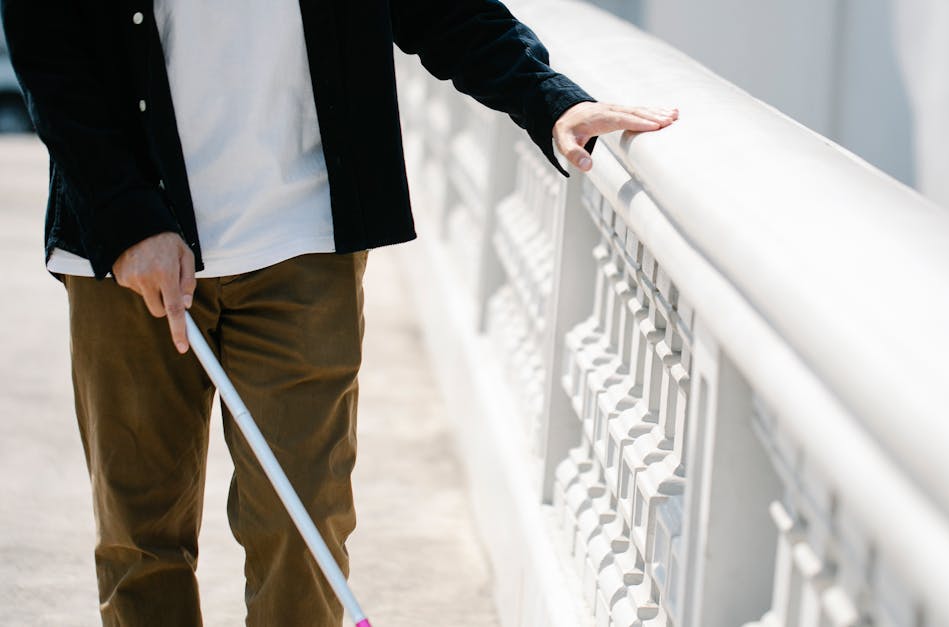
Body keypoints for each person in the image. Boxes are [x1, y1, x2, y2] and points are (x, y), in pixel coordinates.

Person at [1, 0, 678, 625]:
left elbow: (441, 9)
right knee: (140, 539)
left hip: (301, 239)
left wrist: (548, 100)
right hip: (131, 252)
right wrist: (124, 219)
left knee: (306, 534)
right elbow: (45, 37)